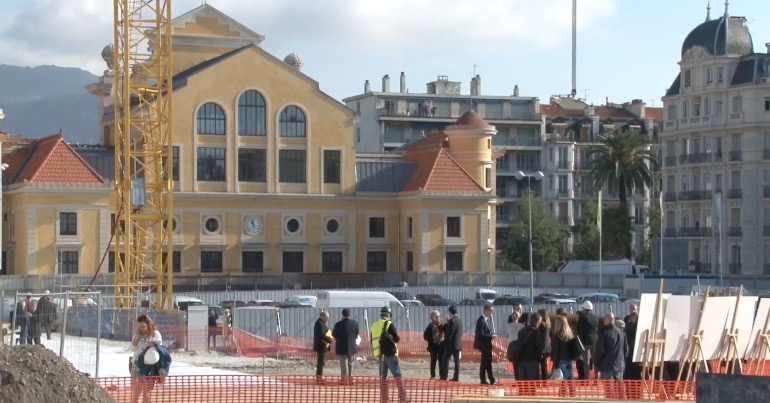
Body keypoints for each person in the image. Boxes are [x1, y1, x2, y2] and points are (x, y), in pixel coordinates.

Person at [370, 306, 408, 402]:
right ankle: (403, 397)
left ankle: (384, 398)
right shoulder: (389, 324)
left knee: (383, 378)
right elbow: (396, 339)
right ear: (389, 315)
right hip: (390, 354)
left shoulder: (374, 325)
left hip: (380, 355)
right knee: (398, 375)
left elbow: (371, 340)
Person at [130, 314, 162, 403]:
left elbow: (161, 348)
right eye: (139, 326)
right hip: (137, 364)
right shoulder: (137, 334)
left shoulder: (155, 334)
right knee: (136, 390)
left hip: (149, 365)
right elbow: (132, 348)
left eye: (143, 326)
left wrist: (154, 345)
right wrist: (134, 342)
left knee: (146, 391)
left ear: (148, 325)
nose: (141, 328)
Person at [595, 313, 628, 399]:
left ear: (606, 321)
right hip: (619, 364)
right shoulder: (622, 333)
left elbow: (599, 351)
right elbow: (626, 350)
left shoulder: (604, 334)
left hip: (607, 366)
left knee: (609, 391)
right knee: (621, 388)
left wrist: (597, 364)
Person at [551, 315, 577, 397]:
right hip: (570, 359)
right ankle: (572, 395)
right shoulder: (571, 334)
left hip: (561, 360)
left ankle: (562, 396)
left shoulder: (557, 335)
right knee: (570, 378)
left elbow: (556, 351)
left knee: (563, 379)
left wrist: (555, 364)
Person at [332, 308, 359, 384]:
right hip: (352, 346)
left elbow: (334, 334)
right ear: (349, 314)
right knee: (350, 363)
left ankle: (344, 380)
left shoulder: (338, 324)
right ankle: (350, 379)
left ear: (342, 314)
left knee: (344, 364)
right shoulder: (355, 323)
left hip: (342, 346)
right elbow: (356, 333)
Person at [516, 314, 544, 382]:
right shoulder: (537, 332)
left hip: (521, 360)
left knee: (523, 384)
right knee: (532, 384)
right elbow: (538, 347)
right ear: (538, 322)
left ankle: (522, 392)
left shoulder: (521, 331)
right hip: (532, 360)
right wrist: (540, 358)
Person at [474, 304, 497, 385]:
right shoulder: (481, 320)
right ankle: (483, 379)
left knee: (487, 362)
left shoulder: (485, 320)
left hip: (487, 345)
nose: (491, 313)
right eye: (491, 311)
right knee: (484, 363)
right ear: (486, 310)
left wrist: (491, 334)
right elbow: (481, 334)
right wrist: (491, 336)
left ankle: (491, 379)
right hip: (483, 345)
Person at [576, 301, 598, 380]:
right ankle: (597, 378)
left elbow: (578, 329)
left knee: (586, 361)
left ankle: (586, 379)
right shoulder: (595, 317)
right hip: (595, 340)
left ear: (584, 309)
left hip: (585, 341)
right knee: (595, 361)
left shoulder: (583, 318)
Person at [441, 305, 463, 381]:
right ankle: (456, 377)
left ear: (450, 312)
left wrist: (445, 341)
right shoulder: (459, 320)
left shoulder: (452, 320)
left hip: (451, 344)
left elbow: (450, 333)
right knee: (457, 361)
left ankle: (444, 376)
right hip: (458, 344)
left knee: (446, 358)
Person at [423, 310, 445, 380]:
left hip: (441, 346)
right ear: (432, 318)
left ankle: (442, 375)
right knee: (433, 361)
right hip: (433, 346)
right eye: (436, 316)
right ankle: (433, 375)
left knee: (441, 361)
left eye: (439, 316)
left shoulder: (443, 325)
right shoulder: (430, 326)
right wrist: (431, 338)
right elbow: (425, 336)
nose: (438, 317)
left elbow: (447, 333)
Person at [312, 311, 333, 383]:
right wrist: (330, 340)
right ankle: (319, 379)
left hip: (322, 345)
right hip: (321, 346)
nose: (328, 319)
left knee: (321, 362)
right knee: (320, 363)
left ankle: (319, 378)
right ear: (323, 316)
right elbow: (321, 335)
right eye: (327, 317)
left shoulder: (321, 323)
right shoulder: (319, 324)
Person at [623, 305, 642, 382]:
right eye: (631, 309)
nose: (633, 311)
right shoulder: (626, 320)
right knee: (628, 374)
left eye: (634, 309)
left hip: (637, 351)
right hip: (628, 350)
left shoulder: (639, 323)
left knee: (636, 374)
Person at [505, 310, 525, 380]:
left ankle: (517, 379)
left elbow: (505, 335)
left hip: (511, 345)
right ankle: (521, 378)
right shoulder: (522, 325)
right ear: (519, 317)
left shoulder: (508, 326)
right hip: (519, 345)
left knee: (514, 363)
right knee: (520, 362)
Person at [536, 309, 552, 380]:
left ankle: (541, 380)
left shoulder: (541, 325)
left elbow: (539, 336)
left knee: (539, 366)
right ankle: (544, 380)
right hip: (547, 347)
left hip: (541, 347)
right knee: (544, 366)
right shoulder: (548, 324)